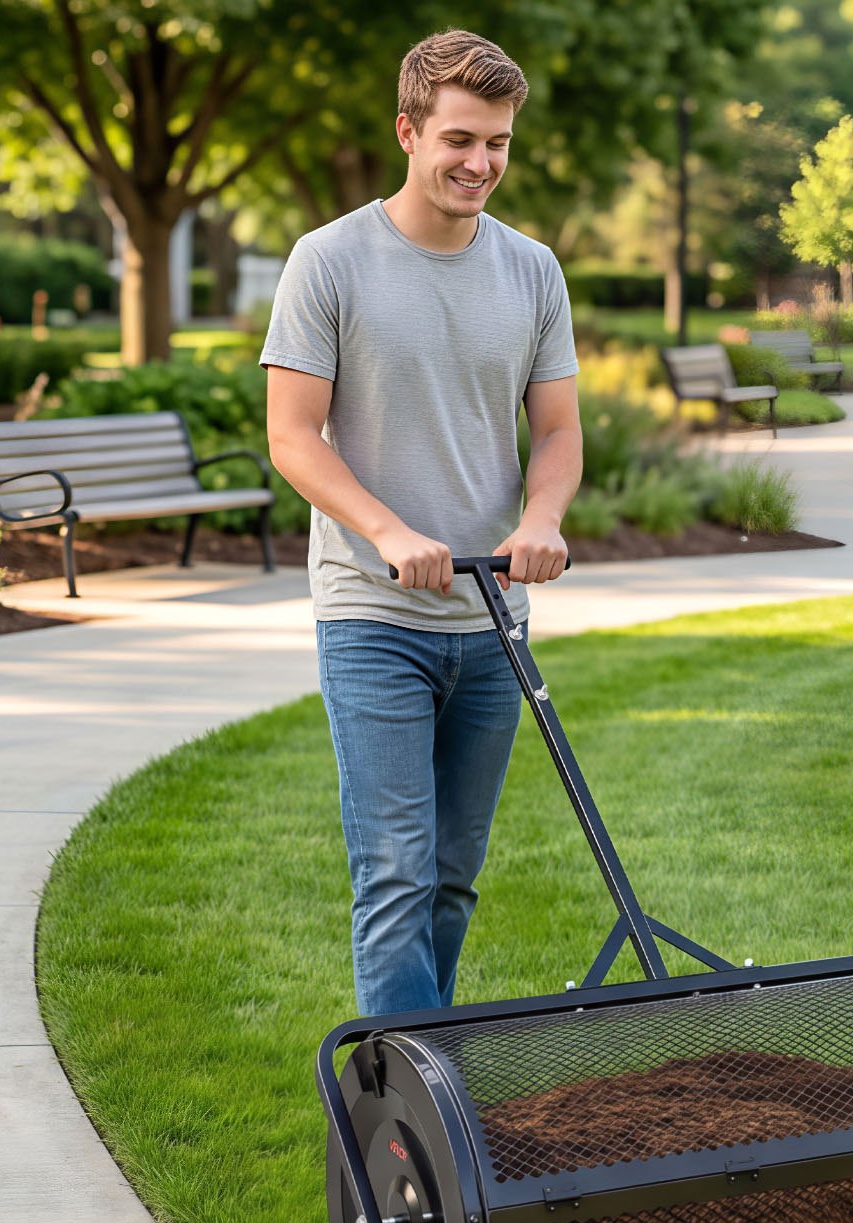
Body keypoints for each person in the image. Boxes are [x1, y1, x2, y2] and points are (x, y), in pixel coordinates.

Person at [262, 29, 581, 1018]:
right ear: (407, 131)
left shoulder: (531, 271)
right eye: (458, 139)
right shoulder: (330, 261)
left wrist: (542, 514)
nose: (479, 162)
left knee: (451, 874)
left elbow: (560, 428)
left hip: (489, 617)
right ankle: (405, 1120)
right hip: (372, 617)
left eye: (496, 142)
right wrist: (389, 532)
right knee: (396, 872)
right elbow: (293, 436)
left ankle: (424, 1078)